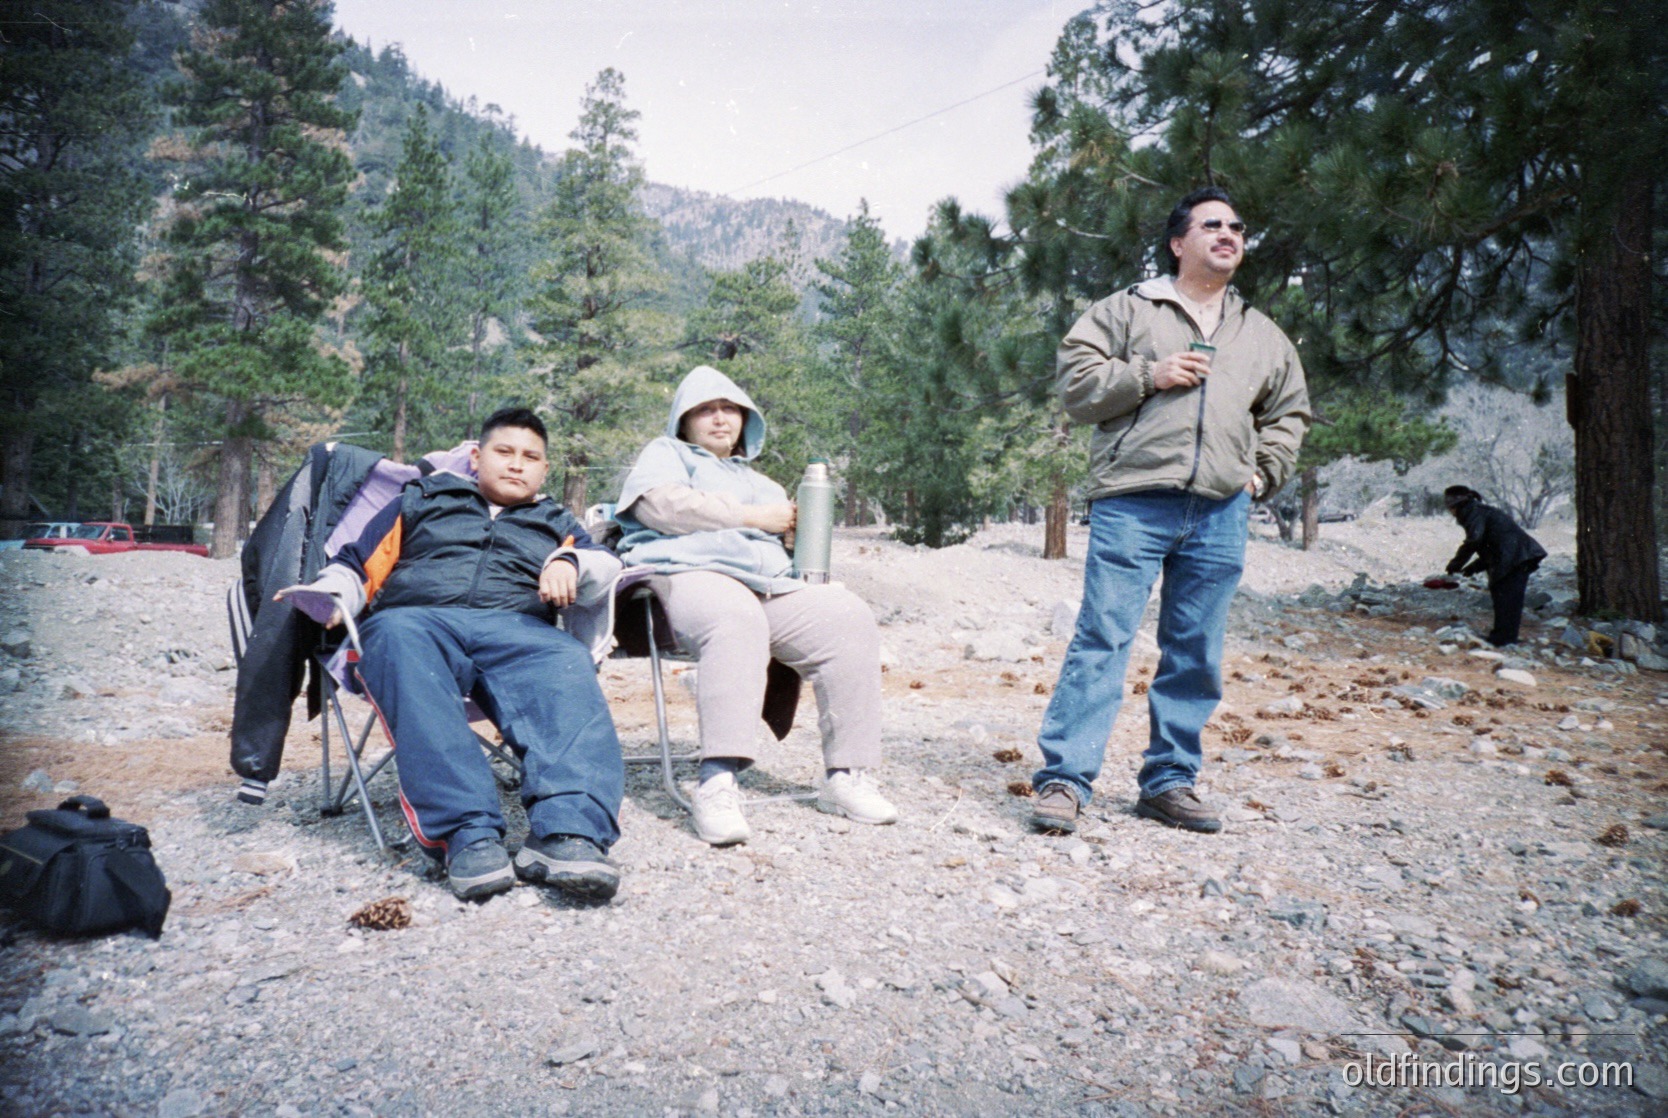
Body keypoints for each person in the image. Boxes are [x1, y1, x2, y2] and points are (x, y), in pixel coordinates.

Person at [1030, 186, 1311, 835]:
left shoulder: (1260, 334)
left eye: (1237, 227)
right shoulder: (1127, 311)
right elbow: (1075, 389)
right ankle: (1065, 781)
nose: (1229, 234)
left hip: (1220, 511)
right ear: (1177, 242)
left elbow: (1288, 413)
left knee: (1196, 651)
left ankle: (1169, 781)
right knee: (1103, 638)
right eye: (1212, 225)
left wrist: (1261, 473)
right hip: (1135, 500)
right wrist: (1146, 376)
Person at [276, 408, 626, 902]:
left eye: (531, 458)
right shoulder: (420, 500)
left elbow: (608, 567)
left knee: (565, 660)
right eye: (504, 452)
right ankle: (468, 833)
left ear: (545, 471)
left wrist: (572, 560)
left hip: (518, 628)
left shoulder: (556, 521)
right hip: (419, 619)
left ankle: (568, 833)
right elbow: (356, 563)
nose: (516, 465)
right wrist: (331, 596)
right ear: (478, 457)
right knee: (396, 640)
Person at [614, 365, 897, 846]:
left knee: (846, 615)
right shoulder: (666, 455)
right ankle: (718, 781)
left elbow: (790, 552)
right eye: (705, 409)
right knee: (735, 616)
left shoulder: (763, 483)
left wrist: (791, 536)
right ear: (683, 420)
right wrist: (752, 517)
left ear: (747, 420)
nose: (719, 418)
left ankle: (847, 774)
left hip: (764, 585)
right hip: (682, 578)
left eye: (730, 409)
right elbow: (658, 508)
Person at [1443, 485, 1547, 647]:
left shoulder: (1473, 513)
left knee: (1506, 597)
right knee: (1503, 596)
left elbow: (1475, 541)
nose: (1450, 511)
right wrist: (1473, 567)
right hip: (1516, 555)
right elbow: (1490, 544)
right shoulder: (1478, 511)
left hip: (1516, 557)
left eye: (1449, 507)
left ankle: (1504, 639)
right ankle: (1502, 637)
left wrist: (1456, 564)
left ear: (1454, 505)